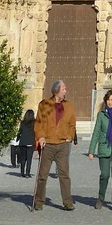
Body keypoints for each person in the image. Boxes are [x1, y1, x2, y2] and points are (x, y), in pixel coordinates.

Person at [33, 79, 77, 210]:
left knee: (64, 175)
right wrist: (40, 137)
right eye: (63, 88)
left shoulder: (69, 106)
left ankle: (68, 202)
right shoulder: (44, 104)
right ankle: (39, 201)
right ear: (56, 91)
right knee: (42, 175)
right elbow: (38, 123)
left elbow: (72, 123)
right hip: (48, 144)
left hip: (62, 144)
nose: (65, 90)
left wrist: (69, 136)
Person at [87, 89, 112, 211]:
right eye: (108, 100)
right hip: (104, 148)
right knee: (104, 175)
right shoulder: (101, 115)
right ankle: (100, 198)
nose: (110, 102)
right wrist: (91, 151)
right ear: (106, 101)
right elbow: (96, 133)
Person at [16, 108, 36, 178]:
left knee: (23, 159)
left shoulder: (22, 122)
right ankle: (27, 173)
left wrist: (17, 139)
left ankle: (22, 173)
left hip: (23, 142)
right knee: (29, 159)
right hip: (31, 142)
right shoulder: (34, 122)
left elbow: (20, 131)